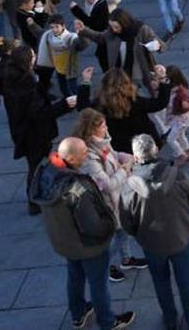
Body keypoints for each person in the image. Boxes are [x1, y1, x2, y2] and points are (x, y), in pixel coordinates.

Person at [29, 137, 137, 330]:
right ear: (70, 158)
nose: (87, 156)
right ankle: (107, 321)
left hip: (64, 240)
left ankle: (78, 313)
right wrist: (110, 225)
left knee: (75, 276)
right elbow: (93, 224)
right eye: (83, 153)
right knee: (99, 284)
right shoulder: (76, 187)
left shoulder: (46, 172)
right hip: (88, 244)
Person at [0, 43, 77, 214]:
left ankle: (37, 197)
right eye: (33, 56)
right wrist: (64, 105)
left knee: (36, 164)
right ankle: (34, 200)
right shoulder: (26, 86)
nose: (35, 58)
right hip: (34, 133)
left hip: (22, 130)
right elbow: (40, 114)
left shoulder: (10, 77)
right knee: (36, 166)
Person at [69, 108, 141, 283]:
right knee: (111, 237)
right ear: (91, 130)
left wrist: (128, 157)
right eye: (102, 126)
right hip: (106, 203)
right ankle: (105, 267)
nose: (106, 128)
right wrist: (124, 170)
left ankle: (126, 259)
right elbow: (107, 185)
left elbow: (114, 155)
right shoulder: (88, 157)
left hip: (118, 198)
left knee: (123, 229)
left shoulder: (102, 142)